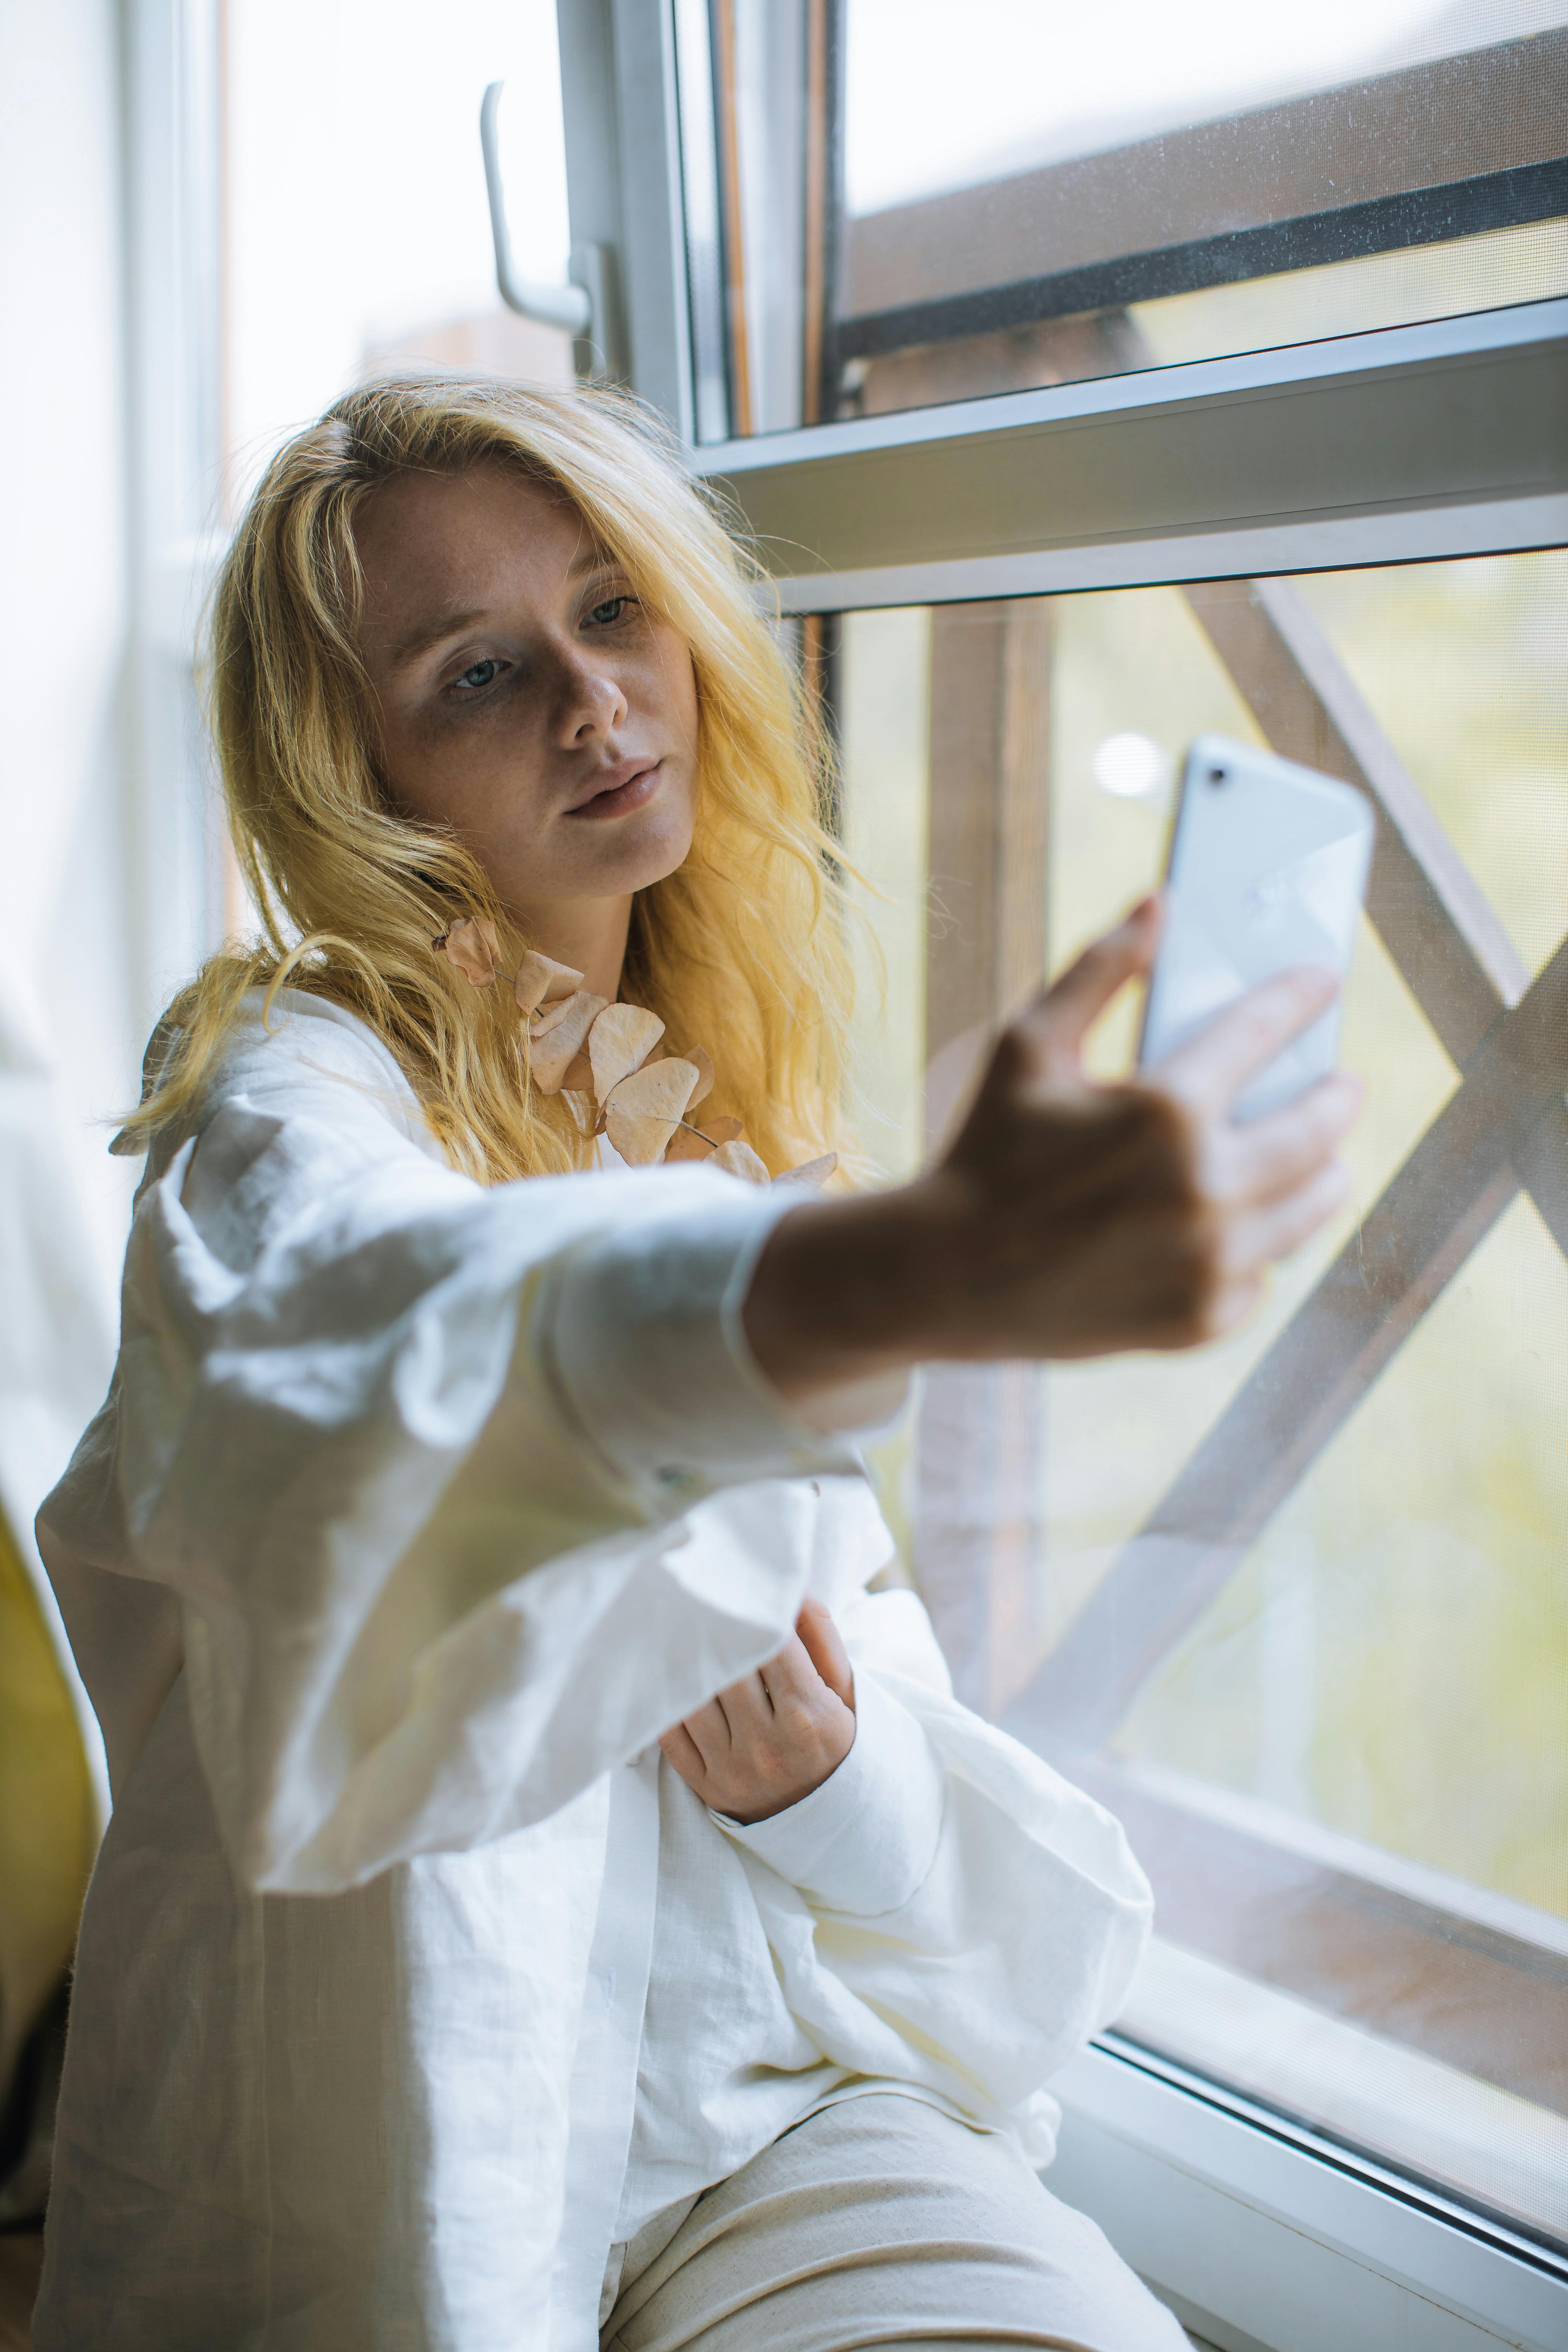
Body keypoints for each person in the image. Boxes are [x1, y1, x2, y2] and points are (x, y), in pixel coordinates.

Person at [33, 375, 1357, 2352]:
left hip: (773, 2126)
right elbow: (357, 1344)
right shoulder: (276, 1098)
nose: (592, 703)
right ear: (353, 776)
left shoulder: (706, 1117)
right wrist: (917, 1264)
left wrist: (821, 1782)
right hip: (382, 2160)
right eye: (479, 673)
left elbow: (870, 1733)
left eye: (614, 608)